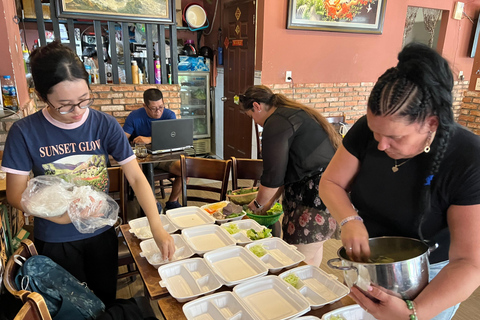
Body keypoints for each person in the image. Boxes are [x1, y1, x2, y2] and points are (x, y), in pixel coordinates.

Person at [0, 41, 175, 307]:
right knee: (72, 308)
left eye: (84, 100)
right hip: (56, 240)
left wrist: (157, 227)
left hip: (100, 233)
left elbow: (136, 177)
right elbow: (14, 194)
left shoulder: (103, 124)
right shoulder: (24, 132)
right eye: (65, 105)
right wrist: (62, 217)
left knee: (104, 302)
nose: (78, 112)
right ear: (41, 96)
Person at [319, 42, 480, 320]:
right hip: (371, 262)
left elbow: (469, 263)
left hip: (433, 275)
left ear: (431, 123)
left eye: (395, 137)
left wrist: (414, 313)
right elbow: (331, 182)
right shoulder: (368, 133)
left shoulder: (468, 158)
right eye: (375, 132)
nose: (381, 145)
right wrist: (349, 220)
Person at [239, 85, 342, 266]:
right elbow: (283, 171)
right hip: (331, 188)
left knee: (292, 260)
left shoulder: (276, 122)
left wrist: (256, 205)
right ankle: (308, 291)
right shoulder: (292, 112)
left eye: (251, 116)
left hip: (314, 196)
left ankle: (298, 293)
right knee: (311, 254)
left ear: (256, 106)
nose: (255, 122)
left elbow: (273, 175)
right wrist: (268, 202)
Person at [123, 88, 182, 211]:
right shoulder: (134, 116)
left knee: (185, 168)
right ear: (145, 105)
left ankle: (172, 202)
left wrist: (150, 139)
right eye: (154, 108)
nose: (158, 111)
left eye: (161, 107)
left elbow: (172, 138)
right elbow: (123, 139)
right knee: (136, 172)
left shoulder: (169, 114)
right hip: (142, 158)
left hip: (164, 157)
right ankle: (153, 204)